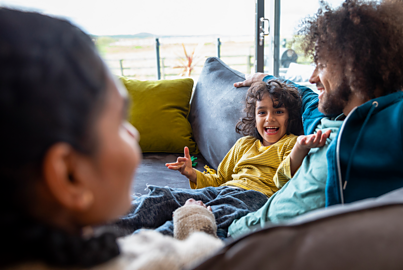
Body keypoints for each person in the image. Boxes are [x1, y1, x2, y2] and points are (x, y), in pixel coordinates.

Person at [228, 0, 403, 238]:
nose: (314, 77)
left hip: (257, 246)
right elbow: (304, 95)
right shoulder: (324, 121)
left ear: (351, 65)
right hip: (238, 222)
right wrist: (268, 79)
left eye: (321, 64)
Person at [0, 8, 223, 270]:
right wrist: (196, 222)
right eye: (120, 122)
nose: (134, 133)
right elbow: (214, 260)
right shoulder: (161, 260)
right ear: (69, 175)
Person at [113, 79, 330, 239]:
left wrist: (300, 149)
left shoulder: (291, 143)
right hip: (222, 191)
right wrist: (192, 173)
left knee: (197, 219)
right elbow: (219, 179)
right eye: (262, 112)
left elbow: (285, 181)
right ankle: (107, 230)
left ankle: (141, 248)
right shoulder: (244, 145)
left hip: (253, 198)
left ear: (289, 117)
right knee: (161, 198)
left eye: (278, 111)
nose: (270, 119)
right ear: (254, 117)